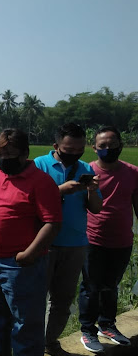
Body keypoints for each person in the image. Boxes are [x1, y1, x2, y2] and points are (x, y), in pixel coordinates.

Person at [0, 129, 62, 355]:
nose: (4, 159)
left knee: (25, 327)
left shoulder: (41, 182)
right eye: (0, 154)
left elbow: (53, 223)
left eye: (11, 154)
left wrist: (29, 254)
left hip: (21, 266)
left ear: (25, 153)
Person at [33, 122, 102, 355]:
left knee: (62, 302)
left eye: (79, 149)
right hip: (43, 244)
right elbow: (27, 201)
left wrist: (92, 190)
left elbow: (96, 208)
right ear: (56, 146)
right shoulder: (38, 165)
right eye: (68, 149)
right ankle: (31, 345)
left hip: (75, 244)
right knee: (34, 299)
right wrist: (60, 190)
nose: (74, 154)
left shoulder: (86, 168)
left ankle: (49, 342)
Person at [78, 126, 138, 352]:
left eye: (113, 144)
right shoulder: (86, 172)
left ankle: (107, 325)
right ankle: (87, 330)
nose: (108, 149)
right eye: (102, 145)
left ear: (121, 145)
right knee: (90, 288)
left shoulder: (133, 172)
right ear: (94, 148)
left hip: (122, 240)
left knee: (110, 286)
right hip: (92, 239)